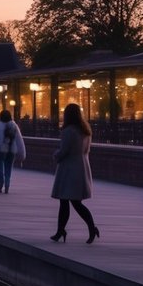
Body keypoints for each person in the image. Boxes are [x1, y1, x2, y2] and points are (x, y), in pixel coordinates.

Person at [50, 103, 98, 243]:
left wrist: (56, 155)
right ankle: (61, 230)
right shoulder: (85, 130)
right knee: (71, 201)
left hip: (68, 169)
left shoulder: (68, 131)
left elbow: (64, 150)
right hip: (82, 167)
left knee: (69, 202)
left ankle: (88, 228)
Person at [0, 109, 26, 193]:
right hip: (12, 149)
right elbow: (19, 140)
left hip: (2, 150)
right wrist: (22, 154)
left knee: (0, 166)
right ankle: (7, 184)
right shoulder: (14, 125)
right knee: (9, 167)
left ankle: (0, 184)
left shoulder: (1, 125)